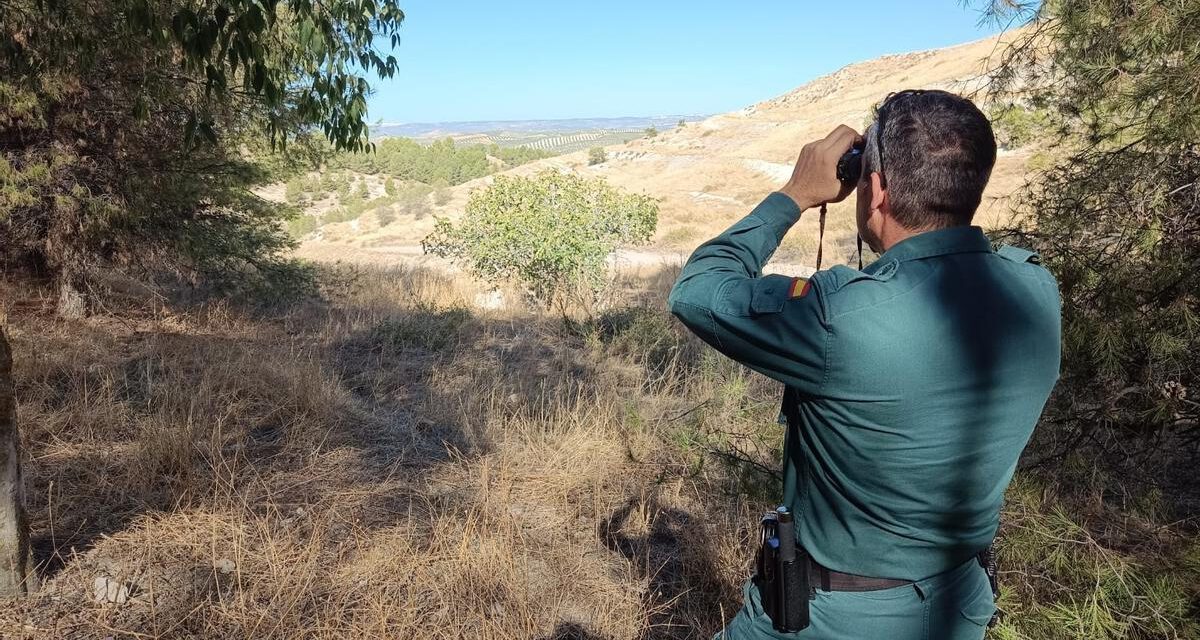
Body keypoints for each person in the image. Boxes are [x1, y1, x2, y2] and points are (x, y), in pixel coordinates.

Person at [668, 90, 1061, 640]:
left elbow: (697, 292)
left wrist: (794, 195)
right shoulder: (1036, 289)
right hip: (959, 606)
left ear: (874, 188)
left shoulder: (842, 316)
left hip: (833, 618)